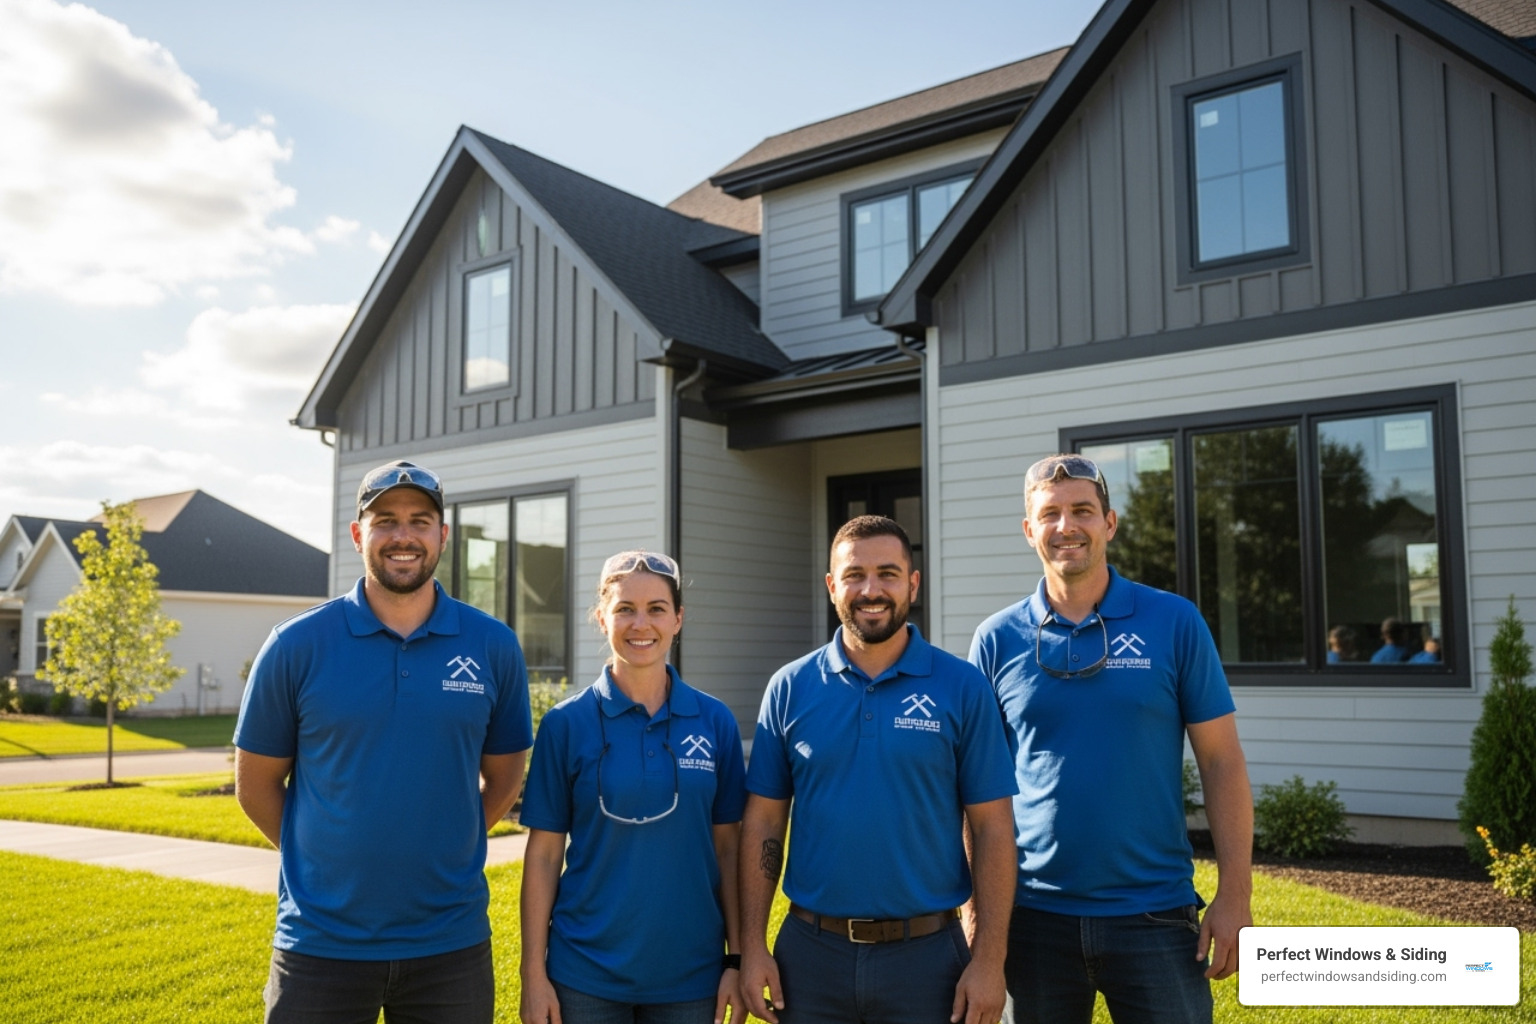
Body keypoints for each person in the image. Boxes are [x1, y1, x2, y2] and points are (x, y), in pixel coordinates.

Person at [234, 459, 534, 1024]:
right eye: (385, 521)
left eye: (420, 521)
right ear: (358, 535)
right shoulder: (296, 644)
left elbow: (505, 776)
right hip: (321, 944)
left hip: (450, 943)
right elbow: (256, 786)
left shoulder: (492, 645)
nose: (403, 536)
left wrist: (448, 840)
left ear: (443, 536)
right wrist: (323, 859)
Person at [968, 455, 1253, 1024]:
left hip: (1155, 916)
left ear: (1110, 523)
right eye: (1049, 514)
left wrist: (1235, 894)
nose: (1066, 526)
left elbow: (1221, 761)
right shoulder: (996, 639)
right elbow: (976, 794)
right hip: (1031, 919)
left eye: (1082, 511)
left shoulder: (1174, 622)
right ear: (1029, 531)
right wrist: (978, 918)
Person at [740, 515, 1018, 1024]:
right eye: (854, 575)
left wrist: (989, 959)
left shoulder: (962, 687)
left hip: (928, 960)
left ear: (913, 584)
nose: (872, 590)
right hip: (810, 958)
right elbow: (763, 823)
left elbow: (993, 827)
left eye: (888, 574)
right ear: (832, 586)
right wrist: (752, 947)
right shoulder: (789, 687)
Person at [520, 550, 746, 1024]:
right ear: (602, 618)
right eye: (625, 608)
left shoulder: (715, 721)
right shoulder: (566, 724)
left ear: (678, 619)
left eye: (656, 609)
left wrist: (736, 960)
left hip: (691, 975)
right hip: (584, 974)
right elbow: (542, 856)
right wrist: (533, 976)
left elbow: (729, 851)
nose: (640, 623)